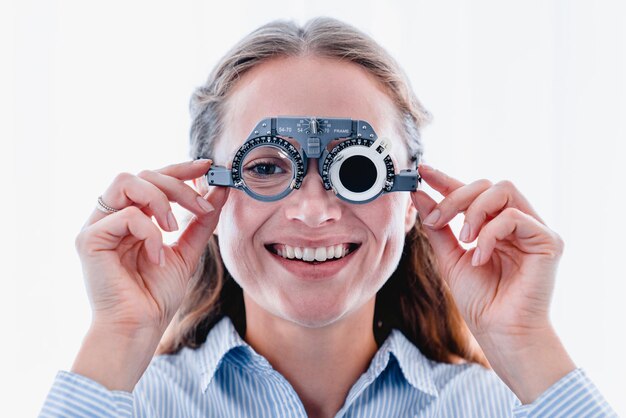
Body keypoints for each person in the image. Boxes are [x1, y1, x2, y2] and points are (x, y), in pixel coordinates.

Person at [39, 17, 617, 418]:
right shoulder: (123, 401)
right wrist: (115, 337)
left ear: (413, 198)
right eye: (266, 167)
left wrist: (526, 343)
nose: (314, 211)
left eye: (358, 171)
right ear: (205, 194)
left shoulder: (502, 406)